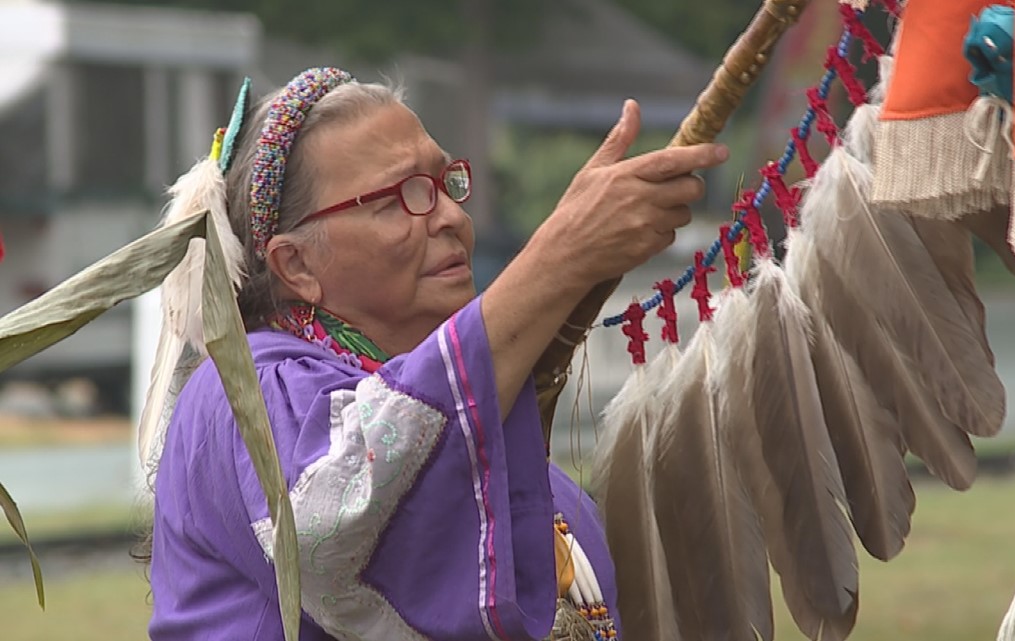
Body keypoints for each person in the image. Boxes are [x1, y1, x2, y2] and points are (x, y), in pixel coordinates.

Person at [146, 67, 728, 641]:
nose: (452, 216)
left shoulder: (508, 462)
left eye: (446, 183)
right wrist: (560, 257)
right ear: (296, 265)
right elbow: (333, 519)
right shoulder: (240, 394)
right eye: (399, 199)